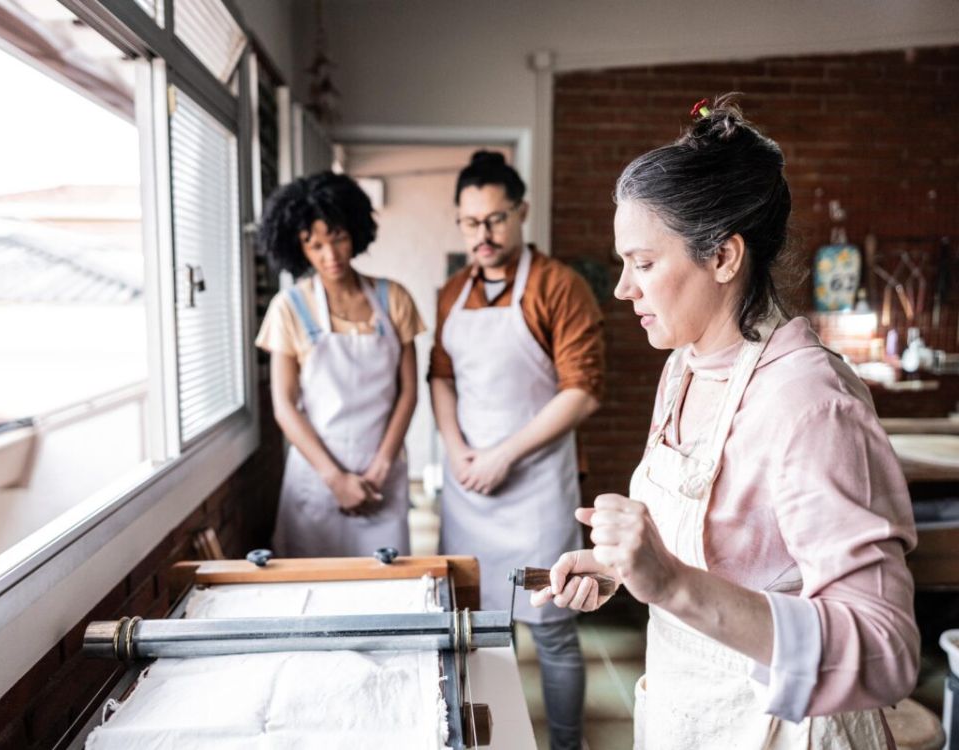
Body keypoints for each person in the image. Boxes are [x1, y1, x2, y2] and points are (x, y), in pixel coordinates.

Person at [531, 96, 919, 749]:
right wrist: (620, 567)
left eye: (643, 263)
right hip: (691, 716)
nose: (624, 288)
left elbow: (887, 653)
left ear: (722, 258)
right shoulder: (683, 368)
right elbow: (731, 555)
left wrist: (673, 584)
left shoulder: (810, 403)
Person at [429, 151, 605, 750]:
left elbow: (582, 391)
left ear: (521, 212)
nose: (482, 234)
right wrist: (456, 447)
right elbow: (440, 376)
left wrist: (503, 455)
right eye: (470, 222)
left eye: (495, 220)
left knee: (551, 630)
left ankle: (565, 746)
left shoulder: (560, 286)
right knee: (477, 631)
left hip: (535, 489)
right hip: (468, 491)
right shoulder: (452, 292)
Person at [256, 171, 425, 557]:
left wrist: (381, 467)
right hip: (317, 478)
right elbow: (284, 406)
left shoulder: (394, 298)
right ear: (297, 247)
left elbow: (409, 392)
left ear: (355, 231)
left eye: (338, 238)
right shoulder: (289, 308)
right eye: (314, 245)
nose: (329, 256)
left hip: (381, 473)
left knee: (387, 585)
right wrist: (335, 479)